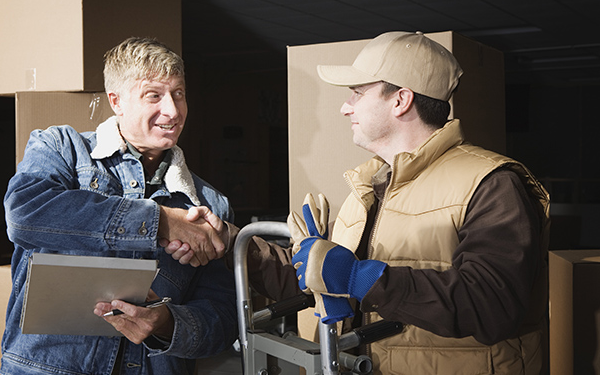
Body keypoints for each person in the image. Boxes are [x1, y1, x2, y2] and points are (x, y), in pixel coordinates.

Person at [165, 31, 550, 375]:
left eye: (357, 93)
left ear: (401, 100)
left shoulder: (492, 184)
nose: (345, 107)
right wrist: (234, 242)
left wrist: (360, 276)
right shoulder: (371, 186)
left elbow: (491, 307)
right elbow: (318, 281)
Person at [1, 37, 238, 375]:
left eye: (179, 94)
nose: (172, 110)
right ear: (117, 102)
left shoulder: (209, 204)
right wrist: (160, 222)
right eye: (154, 95)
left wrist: (168, 323)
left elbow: (224, 319)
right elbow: (25, 212)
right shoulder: (62, 149)